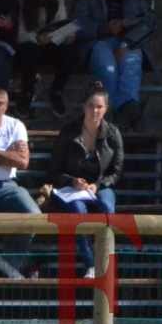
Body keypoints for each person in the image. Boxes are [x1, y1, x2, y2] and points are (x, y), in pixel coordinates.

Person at [44, 82, 124, 275]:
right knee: (78, 210)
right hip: (72, 188)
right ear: (83, 106)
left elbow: (116, 170)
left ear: (106, 109)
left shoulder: (113, 133)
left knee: (107, 208)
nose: (95, 111)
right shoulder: (69, 132)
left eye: (99, 107)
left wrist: (98, 185)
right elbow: (54, 170)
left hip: (101, 185)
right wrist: (72, 181)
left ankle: (104, 258)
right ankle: (90, 263)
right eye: (91, 106)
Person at [73, 0, 156, 127]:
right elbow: (77, 24)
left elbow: (148, 22)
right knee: (108, 68)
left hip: (128, 41)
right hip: (97, 42)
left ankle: (123, 113)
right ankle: (114, 115)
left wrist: (126, 42)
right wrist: (105, 28)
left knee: (132, 61)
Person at [0, 85, 41, 278]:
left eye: (0, 104)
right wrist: (8, 154)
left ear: (7, 106)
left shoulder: (16, 125)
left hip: (8, 185)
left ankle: (8, 261)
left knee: (34, 215)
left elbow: (23, 161)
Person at [15, 0, 77, 115]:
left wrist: (67, 35)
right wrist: (37, 38)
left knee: (70, 52)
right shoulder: (23, 1)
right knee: (29, 51)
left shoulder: (57, 0)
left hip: (50, 44)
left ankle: (57, 90)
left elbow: (62, 23)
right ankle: (27, 91)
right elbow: (20, 34)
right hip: (29, 44)